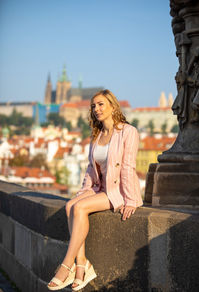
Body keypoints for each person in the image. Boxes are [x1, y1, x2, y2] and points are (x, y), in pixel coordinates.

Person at [47, 89, 143, 291]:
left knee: (80, 209)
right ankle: (82, 265)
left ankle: (67, 266)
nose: (96, 109)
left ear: (113, 106)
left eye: (100, 104)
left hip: (117, 192)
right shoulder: (97, 135)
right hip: (100, 188)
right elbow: (91, 169)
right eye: (93, 106)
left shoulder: (128, 132)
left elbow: (127, 167)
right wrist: (83, 192)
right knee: (70, 205)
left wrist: (132, 200)